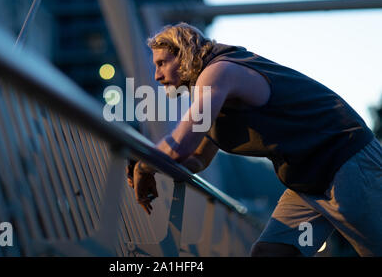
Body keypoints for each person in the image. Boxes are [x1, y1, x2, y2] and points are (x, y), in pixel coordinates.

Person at [126, 22, 382, 257]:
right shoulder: (214, 92)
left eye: (162, 63)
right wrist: (160, 167)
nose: (157, 76)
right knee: (269, 254)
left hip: (348, 165)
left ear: (184, 55)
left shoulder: (220, 73)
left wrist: (144, 164)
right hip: (309, 181)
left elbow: (182, 145)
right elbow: (197, 159)